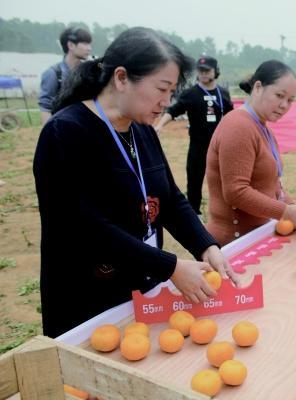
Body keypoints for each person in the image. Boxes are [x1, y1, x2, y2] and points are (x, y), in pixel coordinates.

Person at [33, 28, 238, 338]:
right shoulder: (66, 133)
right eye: (162, 89)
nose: (167, 102)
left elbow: (170, 198)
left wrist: (205, 245)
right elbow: (84, 227)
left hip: (140, 281)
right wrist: (169, 267)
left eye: (172, 92)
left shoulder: (142, 131)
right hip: (88, 293)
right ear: (121, 78)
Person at [206, 60, 296, 246]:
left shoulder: (262, 128)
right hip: (233, 243)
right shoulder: (238, 126)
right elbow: (236, 192)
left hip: (256, 235)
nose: (284, 105)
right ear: (258, 87)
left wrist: (294, 208)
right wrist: (286, 212)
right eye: (279, 95)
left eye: (290, 100)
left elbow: (273, 183)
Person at [154, 56, 233, 215]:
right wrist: (160, 125)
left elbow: (232, 117)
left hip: (220, 147)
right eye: (200, 70)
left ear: (215, 71)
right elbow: (173, 110)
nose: (203, 74)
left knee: (223, 181)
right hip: (198, 146)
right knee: (194, 183)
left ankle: (224, 213)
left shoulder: (223, 93)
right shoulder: (191, 93)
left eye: (207, 70)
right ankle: (194, 214)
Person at [39, 27, 92, 126]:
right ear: (71, 45)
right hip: (61, 127)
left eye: (89, 44)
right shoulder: (53, 73)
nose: (89, 48)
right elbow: (45, 107)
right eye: (85, 44)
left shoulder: (89, 72)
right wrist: (49, 135)